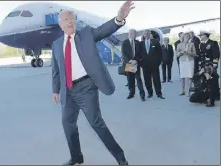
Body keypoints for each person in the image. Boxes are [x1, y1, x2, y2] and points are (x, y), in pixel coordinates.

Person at [51, 1, 134, 165]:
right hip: (68, 91)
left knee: (97, 124)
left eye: (71, 18)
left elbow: (103, 30)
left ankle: (120, 157)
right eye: (66, 20)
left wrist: (118, 19)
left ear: (75, 21)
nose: (69, 21)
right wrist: (55, 90)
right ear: (61, 25)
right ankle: (76, 157)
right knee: (68, 125)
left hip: (86, 87)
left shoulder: (87, 34)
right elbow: (56, 69)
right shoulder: (57, 44)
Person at [138, 29, 165, 99]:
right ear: (143, 35)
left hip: (154, 65)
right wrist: (141, 64)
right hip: (145, 66)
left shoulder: (156, 42)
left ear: (150, 34)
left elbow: (160, 54)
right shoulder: (141, 44)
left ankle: (159, 94)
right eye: (145, 33)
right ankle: (150, 93)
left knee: (157, 80)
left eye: (148, 33)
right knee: (147, 80)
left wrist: (158, 63)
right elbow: (138, 54)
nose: (146, 35)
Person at [121, 29, 145, 101]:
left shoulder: (138, 42)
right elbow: (123, 54)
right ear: (129, 34)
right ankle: (131, 93)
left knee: (138, 79)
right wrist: (130, 60)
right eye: (131, 33)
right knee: (130, 79)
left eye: (134, 33)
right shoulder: (125, 42)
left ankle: (142, 94)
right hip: (129, 64)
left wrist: (136, 61)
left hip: (136, 63)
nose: (133, 34)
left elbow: (140, 53)